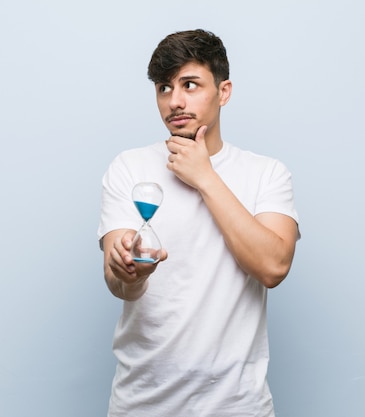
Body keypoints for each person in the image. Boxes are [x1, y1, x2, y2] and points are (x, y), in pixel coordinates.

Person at [97, 29, 300, 417]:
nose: (176, 101)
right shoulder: (129, 167)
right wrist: (129, 272)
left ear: (224, 92)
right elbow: (118, 281)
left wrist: (204, 176)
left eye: (190, 84)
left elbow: (273, 267)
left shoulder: (266, 174)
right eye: (164, 88)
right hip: (141, 404)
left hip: (237, 406)